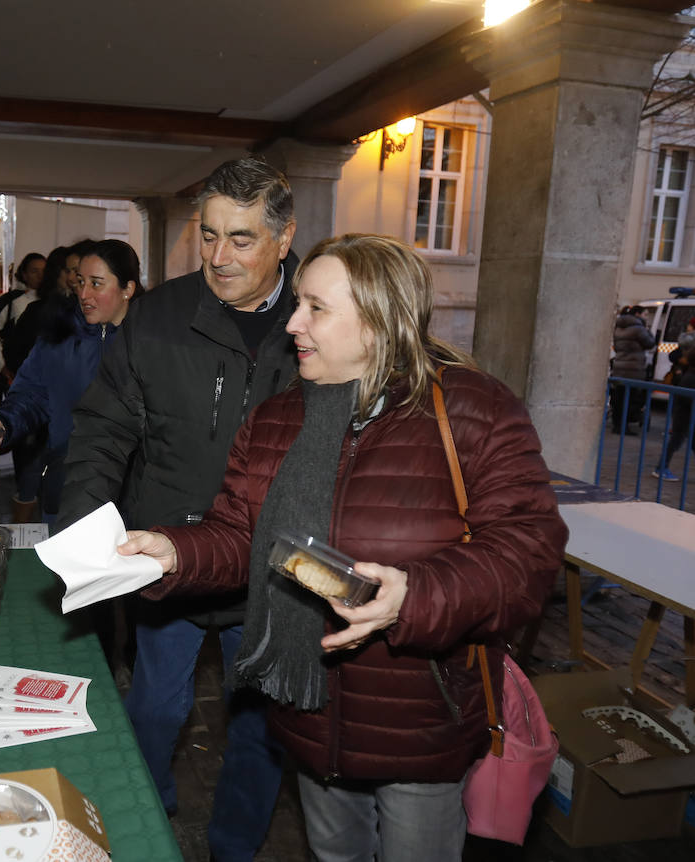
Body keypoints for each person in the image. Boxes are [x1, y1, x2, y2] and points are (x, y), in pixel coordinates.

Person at [119, 233, 568, 861]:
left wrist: (415, 596)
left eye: (316, 308)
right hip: (308, 709)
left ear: (380, 320)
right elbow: (242, 535)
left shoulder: (472, 410)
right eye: (298, 303)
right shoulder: (277, 418)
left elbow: (529, 553)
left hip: (417, 722)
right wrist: (171, 552)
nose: (293, 324)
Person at [58, 159, 299, 861]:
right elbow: (104, 429)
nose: (220, 258)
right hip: (171, 560)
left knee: (259, 728)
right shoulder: (160, 317)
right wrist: (83, 524)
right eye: (210, 236)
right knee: (156, 708)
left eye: (243, 240)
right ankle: (147, 817)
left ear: (284, 240)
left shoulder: (319, 320)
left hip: (272, 574)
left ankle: (233, 846)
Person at [0, 240, 139, 521]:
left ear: (127, 289)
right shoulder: (58, 337)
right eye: (80, 282)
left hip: (133, 497)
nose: (83, 293)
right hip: (67, 485)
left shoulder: (151, 342)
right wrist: (3, 422)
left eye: (96, 284)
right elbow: (31, 394)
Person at [0, 244, 85, 522]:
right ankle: (23, 526)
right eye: (70, 271)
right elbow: (24, 368)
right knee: (35, 475)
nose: (74, 279)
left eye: (84, 275)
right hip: (44, 426)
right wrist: (8, 415)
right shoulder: (42, 313)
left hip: (87, 456)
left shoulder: (123, 331)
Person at [0, 251, 47, 384]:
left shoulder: (55, 301)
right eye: (34, 271)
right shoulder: (11, 300)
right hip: (15, 374)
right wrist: (2, 365)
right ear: (24, 275)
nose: (40, 276)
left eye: (44, 271)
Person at [656, 316, 695, 480]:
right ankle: (661, 467)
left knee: (686, 433)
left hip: (687, 385)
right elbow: (676, 356)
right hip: (688, 388)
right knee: (680, 433)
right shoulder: (688, 341)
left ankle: (662, 467)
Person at [610, 305, 654, 434]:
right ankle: (624, 426)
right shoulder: (639, 329)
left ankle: (617, 425)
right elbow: (650, 343)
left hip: (619, 368)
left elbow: (617, 347)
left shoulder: (618, 327)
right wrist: (648, 330)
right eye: (645, 314)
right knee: (629, 400)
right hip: (633, 370)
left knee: (619, 399)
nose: (646, 317)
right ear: (637, 314)